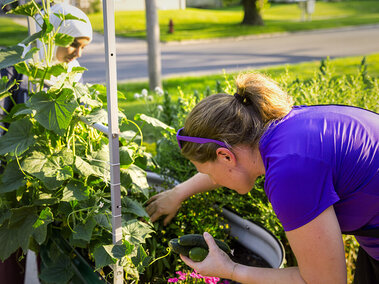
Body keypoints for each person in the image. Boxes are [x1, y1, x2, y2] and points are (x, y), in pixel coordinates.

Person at [145, 72, 379, 283]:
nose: (211, 180)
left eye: (206, 172)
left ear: (225, 156)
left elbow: (326, 281)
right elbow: (226, 169)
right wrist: (178, 194)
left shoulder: (290, 175)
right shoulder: (279, 129)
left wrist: (230, 270)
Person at [0, 3, 92, 283]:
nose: (78, 53)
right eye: (74, 44)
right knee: (8, 252)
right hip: (11, 174)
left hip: (48, 179)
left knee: (45, 248)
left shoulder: (71, 72)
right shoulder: (16, 69)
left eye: (84, 47)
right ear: (54, 35)